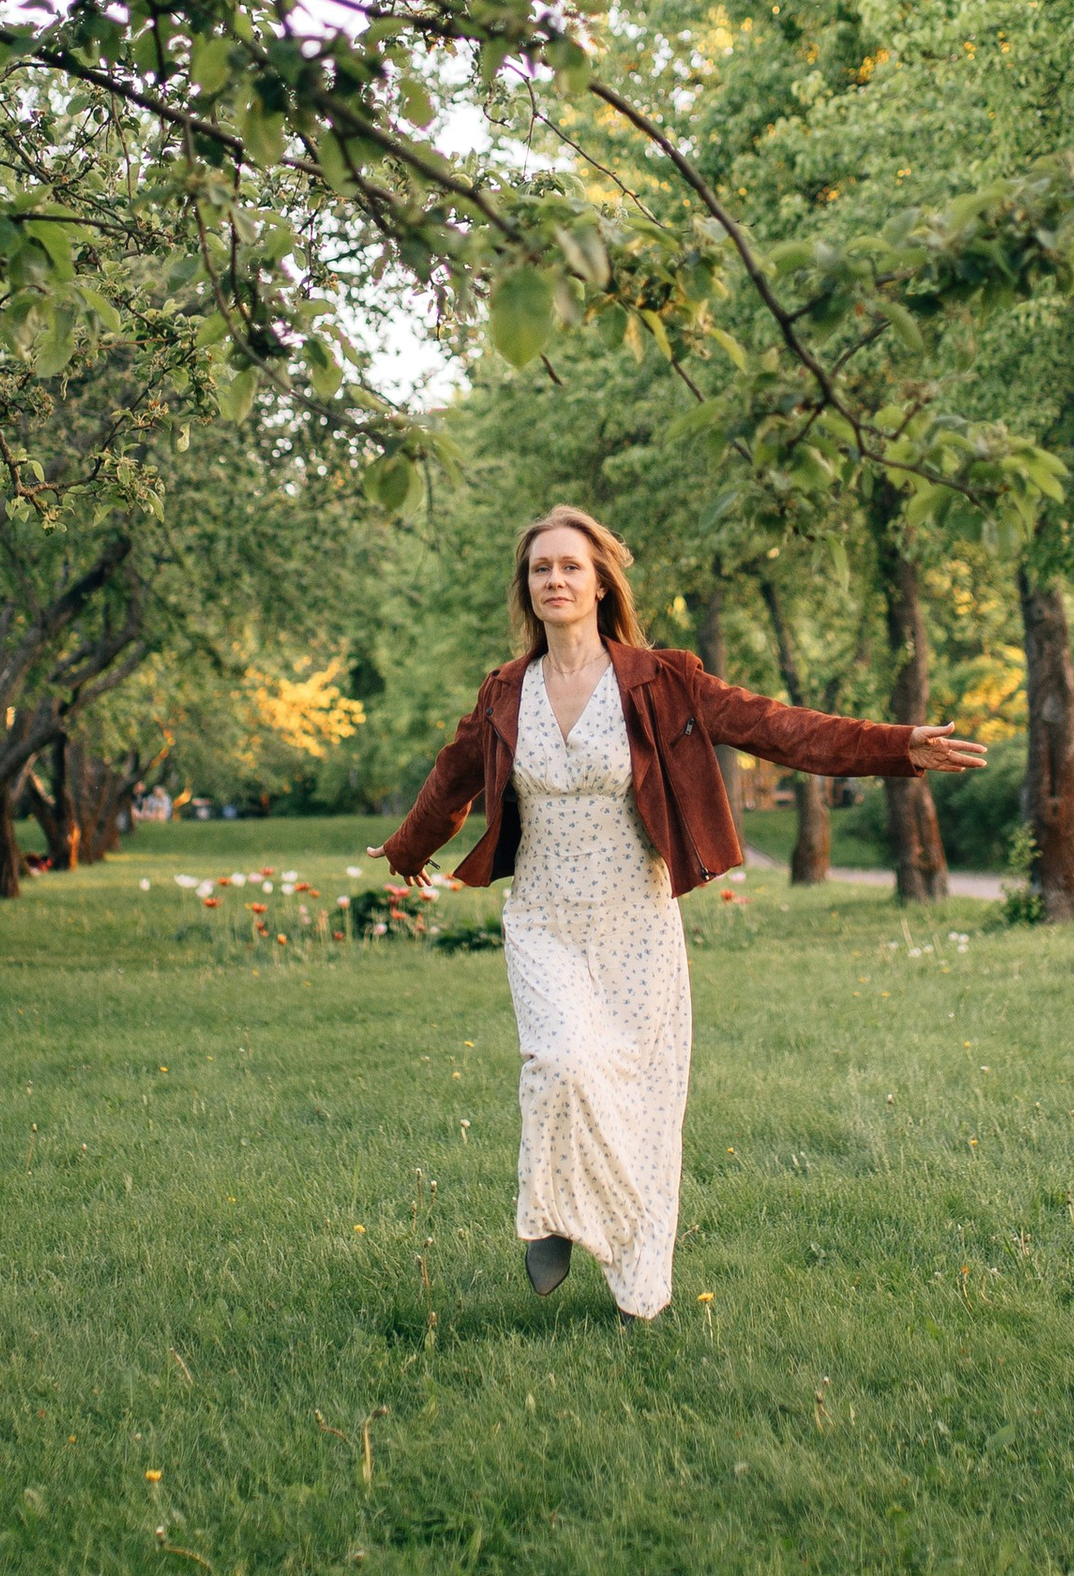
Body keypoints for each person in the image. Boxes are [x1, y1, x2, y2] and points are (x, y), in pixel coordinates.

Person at [379, 507, 988, 1325]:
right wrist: (408, 846)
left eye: (570, 567)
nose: (555, 580)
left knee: (643, 1099)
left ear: (601, 583)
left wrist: (894, 746)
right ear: (527, 590)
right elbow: (453, 777)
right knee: (561, 1062)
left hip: (636, 918)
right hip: (545, 918)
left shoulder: (659, 680)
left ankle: (635, 1283)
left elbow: (778, 728)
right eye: (540, 570)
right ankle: (554, 1212)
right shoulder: (506, 692)